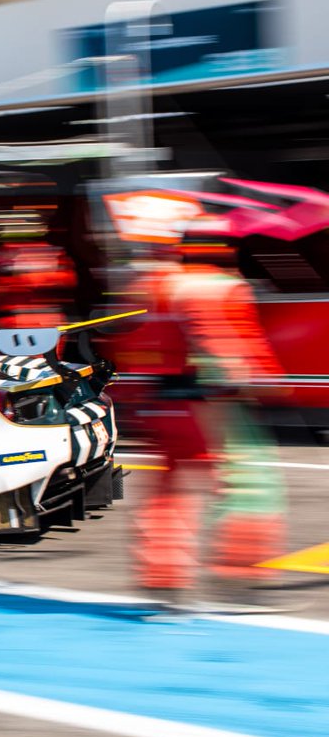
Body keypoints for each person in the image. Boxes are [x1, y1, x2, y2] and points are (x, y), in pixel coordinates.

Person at [114, 233, 287, 610]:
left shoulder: (149, 285)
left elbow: (129, 344)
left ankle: (162, 579)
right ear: (222, 249)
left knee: (167, 493)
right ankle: (239, 579)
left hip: (158, 403)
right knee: (247, 486)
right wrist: (258, 379)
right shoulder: (218, 286)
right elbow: (220, 342)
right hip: (207, 405)